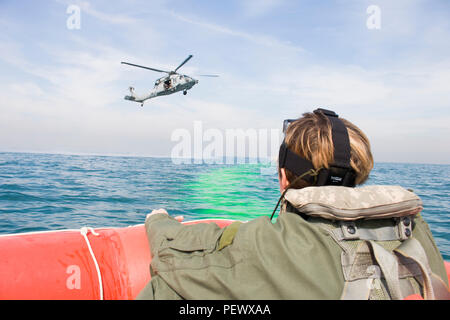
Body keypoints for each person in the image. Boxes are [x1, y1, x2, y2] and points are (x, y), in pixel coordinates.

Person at [137, 109, 449, 300]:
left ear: (284, 176)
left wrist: (158, 219)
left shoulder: (270, 244)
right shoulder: (417, 229)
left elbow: (173, 261)